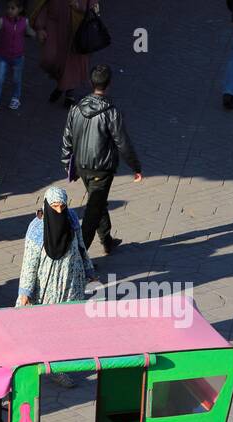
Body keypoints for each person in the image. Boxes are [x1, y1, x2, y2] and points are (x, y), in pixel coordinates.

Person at [61, 64, 143, 256]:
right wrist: (135, 166)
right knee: (93, 211)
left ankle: (106, 240)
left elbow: (67, 137)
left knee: (98, 202)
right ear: (109, 84)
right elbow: (122, 142)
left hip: (82, 167)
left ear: (91, 82)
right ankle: (79, 257)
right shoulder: (111, 112)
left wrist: (67, 163)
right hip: (101, 169)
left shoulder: (77, 108)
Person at [17, 185, 95, 307]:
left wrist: (88, 269)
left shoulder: (71, 218)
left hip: (72, 279)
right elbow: (29, 263)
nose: (59, 211)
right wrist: (25, 292)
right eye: (54, 206)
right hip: (47, 285)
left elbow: (81, 245)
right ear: (47, 205)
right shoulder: (37, 228)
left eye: (62, 206)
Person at [29, 0, 98, 108]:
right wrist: (40, 27)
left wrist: (79, 6)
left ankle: (68, 91)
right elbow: (43, 4)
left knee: (71, 61)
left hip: (75, 26)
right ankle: (62, 84)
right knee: (49, 58)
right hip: (53, 25)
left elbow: (93, 7)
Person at [0, 0, 37, 113]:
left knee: (16, 79)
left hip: (18, 57)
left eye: (12, 8)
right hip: (3, 56)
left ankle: (15, 98)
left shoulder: (24, 22)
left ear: (19, 10)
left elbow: (31, 32)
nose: (9, 10)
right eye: (8, 8)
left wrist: (39, 35)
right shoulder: (2, 21)